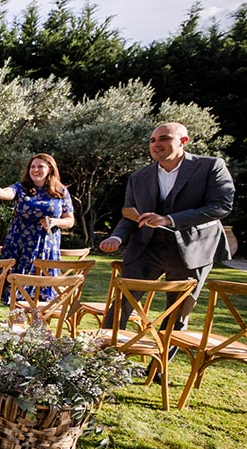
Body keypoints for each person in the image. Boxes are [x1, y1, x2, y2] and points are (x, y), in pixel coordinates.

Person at [98, 122, 234, 329]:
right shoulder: (138, 177)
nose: (156, 144)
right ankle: (107, 359)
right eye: (153, 140)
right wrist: (117, 237)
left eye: (164, 138)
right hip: (146, 247)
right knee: (120, 306)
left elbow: (221, 206)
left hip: (193, 248)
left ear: (183, 141)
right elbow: (129, 214)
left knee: (176, 314)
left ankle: (159, 362)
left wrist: (169, 220)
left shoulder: (211, 166)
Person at [0, 153, 74, 300]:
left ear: (50, 169)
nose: (35, 170)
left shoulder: (61, 191)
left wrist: (56, 222)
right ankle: (15, 322)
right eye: (32, 166)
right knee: (15, 294)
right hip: (19, 247)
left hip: (45, 248)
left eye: (40, 166)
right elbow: (6, 193)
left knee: (41, 298)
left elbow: (70, 221)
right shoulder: (20, 188)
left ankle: (38, 323)